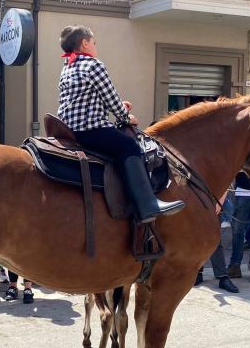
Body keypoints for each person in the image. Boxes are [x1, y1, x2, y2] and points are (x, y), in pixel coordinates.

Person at [57, 25, 184, 224]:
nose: (95, 46)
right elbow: (112, 100)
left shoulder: (68, 68)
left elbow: (85, 101)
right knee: (129, 146)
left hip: (69, 128)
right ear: (84, 43)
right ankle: (147, 205)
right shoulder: (93, 65)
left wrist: (117, 107)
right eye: (94, 42)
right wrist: (126, 116)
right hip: (90, 130)